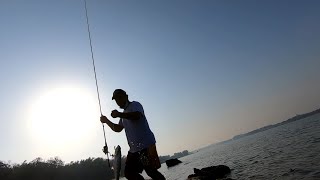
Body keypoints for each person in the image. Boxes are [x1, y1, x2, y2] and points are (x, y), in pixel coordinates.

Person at [100, 89, 165, 180]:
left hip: (146, 146)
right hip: (134, 150)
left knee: (151, 171)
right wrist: (106, 121)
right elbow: (118, 128)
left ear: (126, 96)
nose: (118, 101)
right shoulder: (123, 114)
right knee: (128, 173)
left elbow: (137, 116)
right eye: (116, 100)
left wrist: (119, 114)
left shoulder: (135, 105)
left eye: (120, 97)